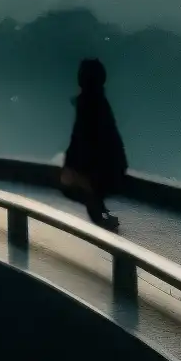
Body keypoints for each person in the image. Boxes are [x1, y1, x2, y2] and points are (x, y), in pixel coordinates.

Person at [61, 57, 127, 231]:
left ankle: (101, 219)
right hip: (108, 162)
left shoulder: (89, 105)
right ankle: (101, 214)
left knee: (81, 185)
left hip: (96, 164)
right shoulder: (98, 102)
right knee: (86, 186)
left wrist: (71, 162)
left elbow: (83, 138)